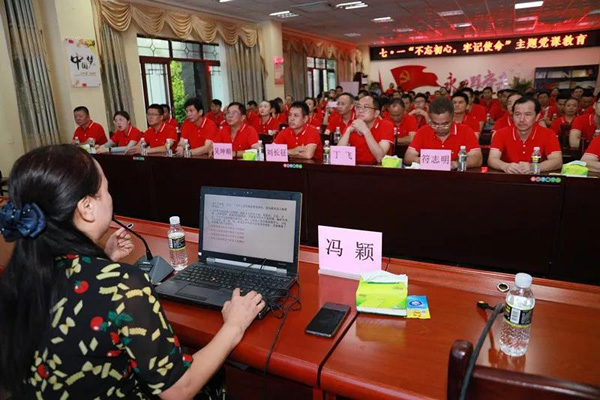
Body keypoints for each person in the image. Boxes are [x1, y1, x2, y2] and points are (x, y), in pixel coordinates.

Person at [0, 145, 264, 399]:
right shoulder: (121, 285)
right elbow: (179, 390)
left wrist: (102, 259)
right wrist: (235, 325)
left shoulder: (21, 270)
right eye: (106, 189)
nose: (110, 197)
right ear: (87, 207)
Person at [488, 97, 562, 174]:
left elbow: (557, 161)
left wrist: (534, 167)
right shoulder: (500, 133)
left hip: (536, 179)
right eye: (517, 114)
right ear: (512, 115)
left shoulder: (548, 134)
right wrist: (505, 166)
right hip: (509, 178)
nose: (522, 119)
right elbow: (492, 159)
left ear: (537, 116)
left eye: (527, 114)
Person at [404, 97, 482, 169]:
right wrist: (425, 161)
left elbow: (477, 158)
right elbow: (408, 157)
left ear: (452, 117)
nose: (440, 128)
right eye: (435, 124)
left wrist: (456, 164)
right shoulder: (423, 131)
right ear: (430, 119)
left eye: (445, 124)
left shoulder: (465, 131)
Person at [337, 95, 394, 164]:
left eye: (366, 107)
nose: (360, 110)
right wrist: (348, 131)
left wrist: (366, 131)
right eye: (358, 107)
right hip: (355, 168)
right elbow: (338, 156)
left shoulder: (386, 125)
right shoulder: (352, 125)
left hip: (377, 169)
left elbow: (380, 158)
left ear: (376, 113)